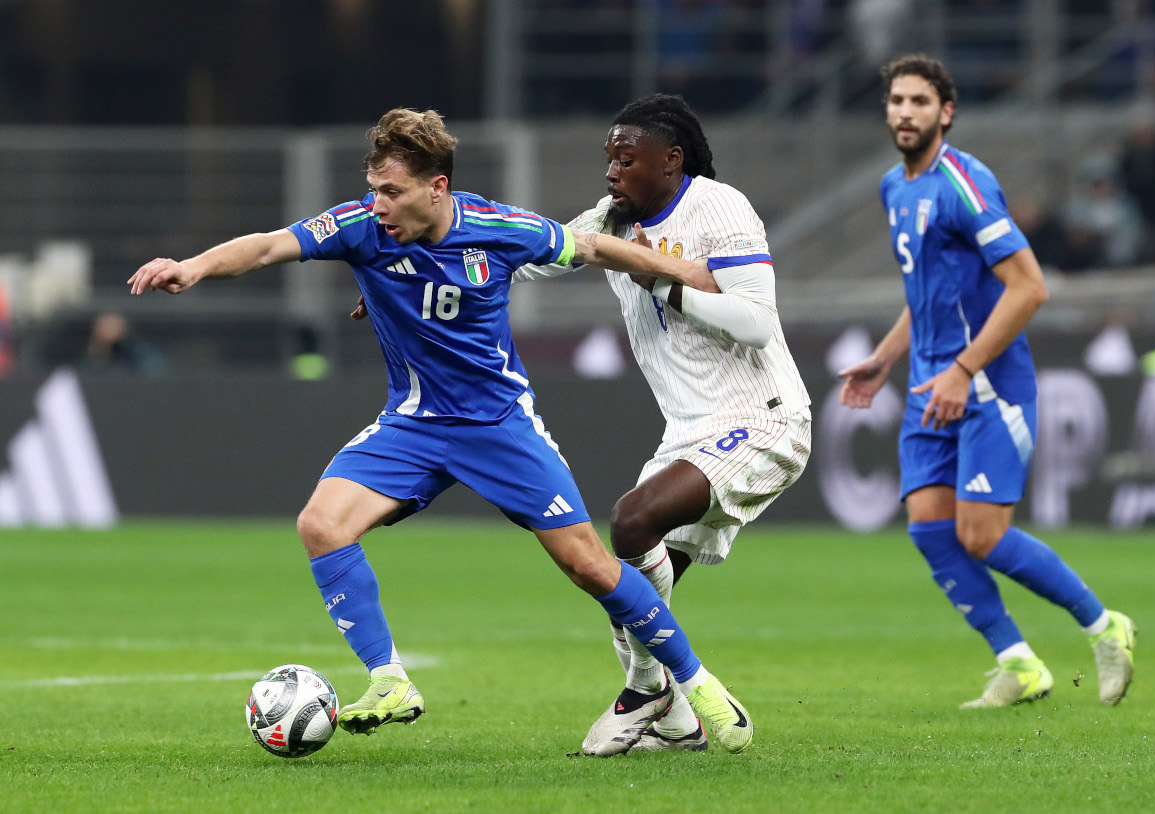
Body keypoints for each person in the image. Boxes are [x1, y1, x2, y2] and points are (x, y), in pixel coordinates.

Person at [127, 107, 755, 753]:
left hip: (497, 425)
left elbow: (593, 247)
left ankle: (698, 683)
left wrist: (683, 271)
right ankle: (390, 680)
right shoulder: (359, 227)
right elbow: (266, 246)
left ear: (438, 188)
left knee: (589, 565)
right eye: (374, 189)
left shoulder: (498, 227)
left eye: (392, 191)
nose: (378, 205)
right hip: (414, 424)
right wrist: (195, 265)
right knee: (322, 524)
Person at [838, 55, 1137, 708]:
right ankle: (1019, 663)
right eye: (896, 101)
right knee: (929, 528)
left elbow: (1030, 288)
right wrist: (886, 357)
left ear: (946, 112)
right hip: (927, 385)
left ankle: (1105, 626)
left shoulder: (965, 184)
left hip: (986, 386)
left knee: (981, 535)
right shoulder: (895, 185)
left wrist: (964, 369)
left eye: (920, 101)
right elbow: (928, 293)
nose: (905, 112)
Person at [516, 93, 812, 754]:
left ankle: (647, 690)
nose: (612, 171)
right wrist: (421, 272)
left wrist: (657, 278)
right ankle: (677, 725)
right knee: (629, 595)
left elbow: (756, 321)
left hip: (762, 418)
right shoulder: (611, 222)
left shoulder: (719, 206)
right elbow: (530, 258)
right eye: (609, 159)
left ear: (670, 161)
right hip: (686, 434)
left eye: (628, 158)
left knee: (630, 523)